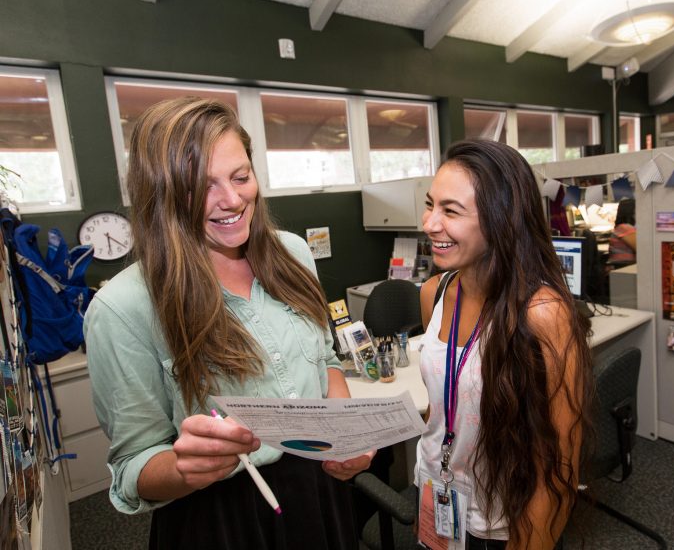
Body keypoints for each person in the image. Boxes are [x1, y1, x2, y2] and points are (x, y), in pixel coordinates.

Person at [84, 97, 372, 549]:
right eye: (203, 187)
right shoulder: (123, 308)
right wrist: (184, 467)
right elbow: (133, 466)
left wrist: (344, 434)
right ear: (161, 194)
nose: (233, 200)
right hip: (220, 516)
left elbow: (326, 360)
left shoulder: (294, 253)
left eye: (241, 177)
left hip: (320, 490)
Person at [416, 139, 593, 549]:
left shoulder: (543, 315)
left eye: (451, 211)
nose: (429, 223)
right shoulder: (434, 293)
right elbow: (446, 404)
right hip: (439, 498)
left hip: (504, 523)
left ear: (500, 220)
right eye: (431, 205)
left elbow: (558, 461)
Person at [606, 198, 636, 268]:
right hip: (624, 268)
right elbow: (642, 249)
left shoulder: (621, 227)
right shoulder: (624, 228)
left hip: (624, 267)